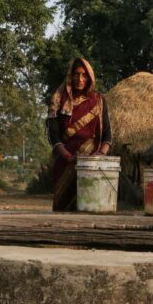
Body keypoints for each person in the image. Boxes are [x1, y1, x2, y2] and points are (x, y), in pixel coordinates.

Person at [47, 58, 112, 211]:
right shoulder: (58, 100)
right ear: (70, 75)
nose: (80, 79)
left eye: (84, 75)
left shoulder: (99, 101)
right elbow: (54, 136)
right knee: (63, 211)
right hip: (65, 164)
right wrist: (69, 157)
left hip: (93, 166)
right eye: (76, 74)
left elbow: (107, 135)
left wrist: (100, 156)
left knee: (92, 209)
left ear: (90, 77)